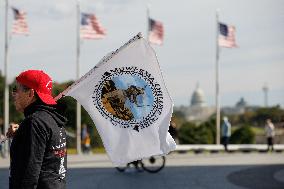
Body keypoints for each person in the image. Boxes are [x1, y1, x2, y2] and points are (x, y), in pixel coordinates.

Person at [6, 70, 68, 189]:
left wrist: (27, 129)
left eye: (16, 89)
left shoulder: (34, 123)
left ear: (30, 93)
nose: (13, 94)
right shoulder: (54, 119)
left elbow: (28, 175)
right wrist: (21, 135)